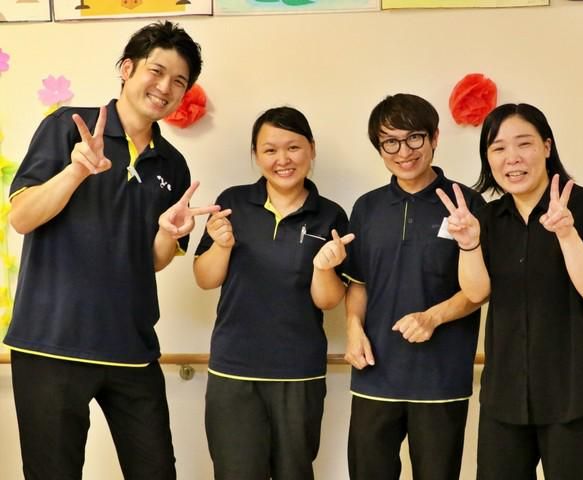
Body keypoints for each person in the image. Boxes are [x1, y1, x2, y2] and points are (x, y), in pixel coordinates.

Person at [6, 21, 213, 480]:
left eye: (179, 81)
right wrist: (76, 171)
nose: (165, 87)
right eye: (156, 71)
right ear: (127, 68)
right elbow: (21, 218)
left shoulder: (173, 165)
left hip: (131, 347)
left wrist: (167, 233)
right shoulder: (69, 128)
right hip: (52, 344)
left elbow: (154, 260)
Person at [436, 103, 583, 479]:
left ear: (546, 147)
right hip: (505, 397)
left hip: (577, 396)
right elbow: (476, 293)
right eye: (498, 148)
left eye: (524, 143)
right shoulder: (489, 218)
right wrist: (469, 244)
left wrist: (566, 234)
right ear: (488, 158)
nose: (512, 158)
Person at [193, 106, 352, 480]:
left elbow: (329, 300)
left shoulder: (330, 215)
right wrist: (222, 246)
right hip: (233, 370)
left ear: (311, 149)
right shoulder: (232, 203)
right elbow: (205, 278)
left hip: (298, 373)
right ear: (256, 154)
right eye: (270, 150)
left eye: (293, 147)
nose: (283, 159)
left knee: (294, 472)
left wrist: (323, 268)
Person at [343, 93, 484, 480]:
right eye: (390, 142)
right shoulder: (367, 208)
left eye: (414, 138)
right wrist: (353, 328)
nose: (403, 152)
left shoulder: (466, 204)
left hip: (441, 379)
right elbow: (359, 283)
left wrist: (433, 317)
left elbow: (481, 289)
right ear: (379, 148)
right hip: (374, 375)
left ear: (434, 137)